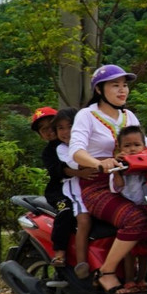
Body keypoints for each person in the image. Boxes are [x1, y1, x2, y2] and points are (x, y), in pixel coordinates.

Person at [69, 65, 147, 294]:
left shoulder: (128, 116)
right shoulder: (87, 116)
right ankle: (107, 272)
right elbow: (75, 151)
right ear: (99, 89)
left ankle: (144, 276)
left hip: (131, 184)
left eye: (124, 85)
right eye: (115, 85)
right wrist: (99, 163)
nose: (122, 90)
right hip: (97, 187)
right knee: (135, 219)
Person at [49, 109, 94, 272]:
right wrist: (98, 162)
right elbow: (76, 163)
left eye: (70, 126)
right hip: (76, 189)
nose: (66, 132)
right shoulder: (61, 148)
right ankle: (82, 264)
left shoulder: (91, 142)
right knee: (84, 220)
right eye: (60, 128)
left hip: (99, 188)